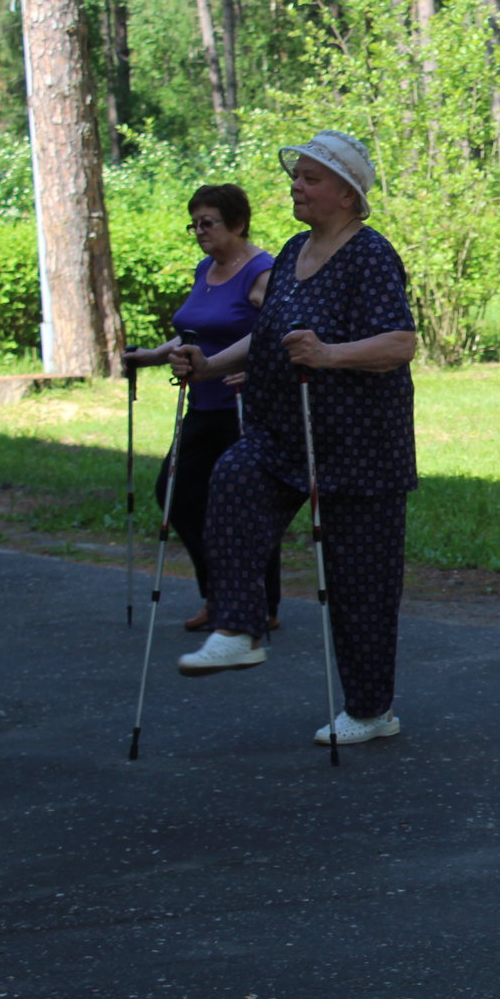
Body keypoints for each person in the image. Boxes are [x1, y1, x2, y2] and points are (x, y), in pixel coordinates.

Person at [168, 131, 419, 747]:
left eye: (310, 178)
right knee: (234, 478)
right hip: (283, 431)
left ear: (346, 193)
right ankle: (239, 628)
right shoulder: (291, 250)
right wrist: (208, 365)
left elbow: (400, 342)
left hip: (362, 447)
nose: (295, 186)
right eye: (296, 176)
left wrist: (330, 354)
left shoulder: (370, 255)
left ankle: (371, 711)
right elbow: (267, 335)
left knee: (360, 586)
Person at [121, 184, 281, 634]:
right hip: (203, 405)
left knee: (245, 504)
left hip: (245, 409)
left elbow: (276, 330)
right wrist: (151, 356)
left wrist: (255, 369)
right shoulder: (205, 270)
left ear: (238, 224)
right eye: (193, 224)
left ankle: (262, 603)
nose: (199, 231)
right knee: (177, 496)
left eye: (207, 223)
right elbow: (195, 334)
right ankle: (219, 595)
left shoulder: (262, 272)